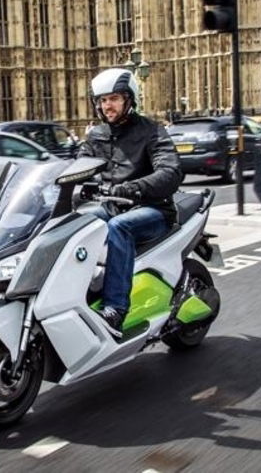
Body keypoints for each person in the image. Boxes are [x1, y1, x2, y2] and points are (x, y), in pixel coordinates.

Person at [78, 68, 183, 338]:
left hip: (153, 209)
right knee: (74, 225)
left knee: (119, 227)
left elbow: (170, 172)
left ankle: (115, 308)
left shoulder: (151, 131)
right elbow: (78, 166)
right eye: (102, 100)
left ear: (129, 99)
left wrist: (135, 188)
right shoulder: (96, 135)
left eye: (113, 98)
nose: (107, 105)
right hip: (112, 205)